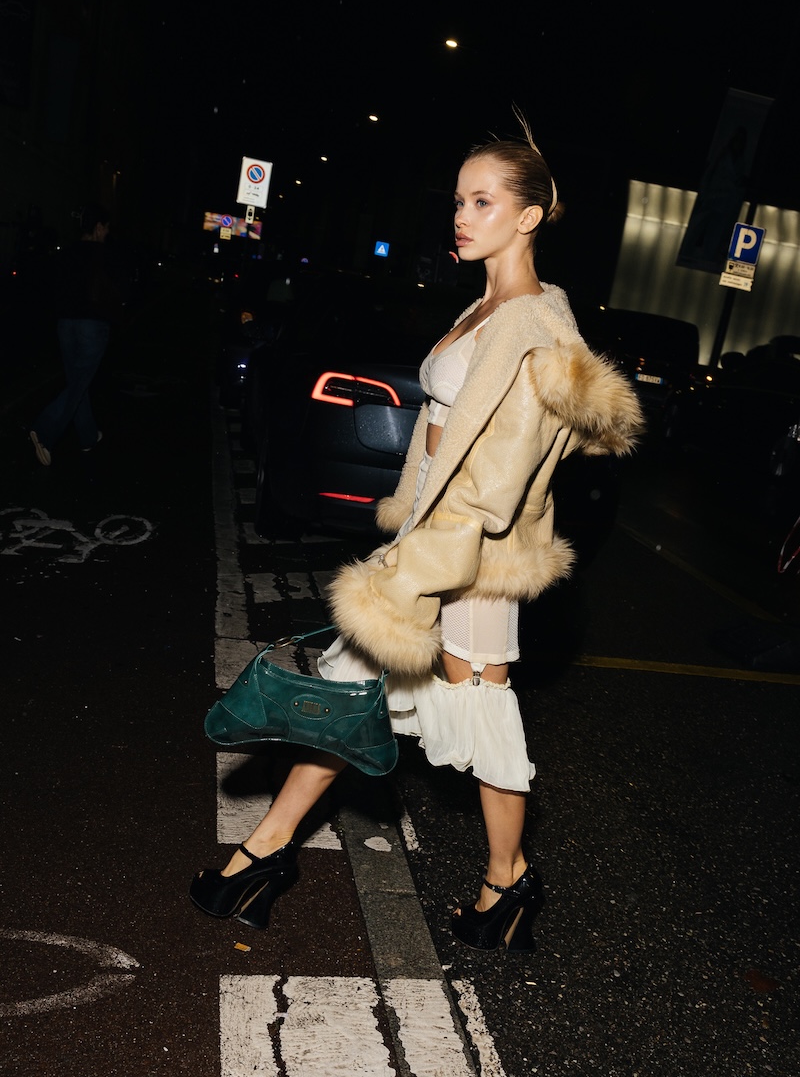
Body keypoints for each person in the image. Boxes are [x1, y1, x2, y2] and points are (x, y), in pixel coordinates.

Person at [190, 116, 645, 949]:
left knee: (479, 712)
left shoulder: (533, 325)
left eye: (483, 201)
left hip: (467, 555)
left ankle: (506, 881)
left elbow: (496, 484)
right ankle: (265, 852)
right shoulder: (485, 308)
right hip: (430, 537)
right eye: (459, 200)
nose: (461, 217)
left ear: (529, 216)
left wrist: (419, 566)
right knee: (351, 686)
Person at [28, 204, 125, 466]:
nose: (107, 233)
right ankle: (44, 429)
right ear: (98, 227)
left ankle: (88, 435)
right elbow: (116, 292)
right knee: (79, 383)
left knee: (78, 380)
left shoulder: (67, 253)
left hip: (65, 325)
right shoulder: (105, 255)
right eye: (106, 228)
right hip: (92, 325)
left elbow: (53, 287)